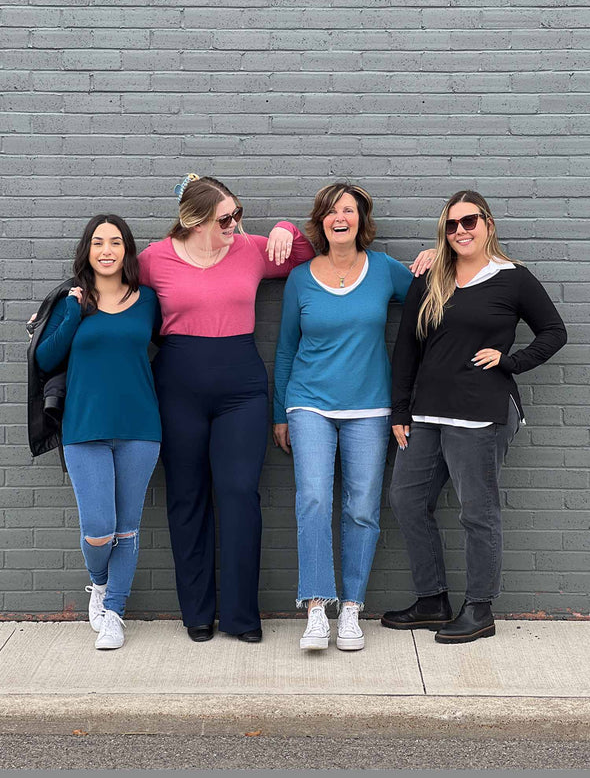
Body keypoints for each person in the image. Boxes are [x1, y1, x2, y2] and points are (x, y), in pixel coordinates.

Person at [381, 190, 567, 644]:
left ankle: (479, 608)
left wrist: (511, 361)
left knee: (477, 513)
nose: (460, 231)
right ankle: (433, 600)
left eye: (468, 222)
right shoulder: (429, 277)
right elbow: (407, 347)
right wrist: (400, 408)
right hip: (426, 413)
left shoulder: (513, 278)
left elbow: (554, 331)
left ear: (487, 223)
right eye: (450, 225)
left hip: (481, 414)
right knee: (406, 500)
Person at [138, 174, 315, 644]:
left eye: (238, 213)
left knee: (239, 494)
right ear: (194, 220)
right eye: (225, 217)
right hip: (177, 384)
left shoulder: (250, 248)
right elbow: (110, 286)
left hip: (242, 387)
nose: (236, 222)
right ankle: (197, 613)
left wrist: (285, 229)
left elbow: (308, 259)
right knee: (186, 497)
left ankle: (240, 616)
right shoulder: (154, 259)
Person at [273, 182, 413, 651]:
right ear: (321, 220)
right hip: (309, 402)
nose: (340, 217)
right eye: (332, 210)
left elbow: (433, 300)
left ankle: (351, 609)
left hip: (370, 407)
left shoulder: (385, 272)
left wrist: (436, 255)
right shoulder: (300, 278)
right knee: (312, 498)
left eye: (349, 210)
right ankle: (316, 607)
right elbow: (287, 349)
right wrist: (281, 413)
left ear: (361, 220)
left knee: (361, 508)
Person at [35, 215, 161, 650]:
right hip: (84, 428)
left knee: (127, 528)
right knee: (99, 529)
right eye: (97, 243)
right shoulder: (72, 301)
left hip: (140, 426)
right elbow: (46, 358)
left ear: (127, 250)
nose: (106, 250)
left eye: (115, 242)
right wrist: (71, 310)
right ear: (87, 251)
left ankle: (114, 613)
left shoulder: (147, 300)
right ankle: (100, 583)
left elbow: (164, 347)